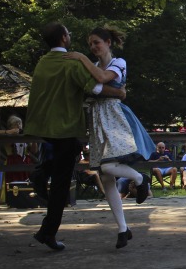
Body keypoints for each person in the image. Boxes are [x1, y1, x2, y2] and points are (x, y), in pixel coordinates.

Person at [25, 22, 121, 251]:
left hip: (45, 125)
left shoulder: (42, 63)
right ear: (63, 39)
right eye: (68, 33)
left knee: (59, 164)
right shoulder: (71, 62)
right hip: (66, 127)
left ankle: (41, 173)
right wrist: (120, 92)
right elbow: (96, 88)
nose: (70, 36)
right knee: (61, 183)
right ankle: (48, 231)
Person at [64, 25, 154, 249]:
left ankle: (141, 178)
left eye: (96, 42)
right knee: (105, 178)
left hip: (114, 117)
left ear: (108, 43)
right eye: (90, 44)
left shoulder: (118, 63)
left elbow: (102, 79)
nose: (93, 47)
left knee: (107, 167)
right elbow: (91, 89)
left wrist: (82, 61)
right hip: (97, 119)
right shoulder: (94, 66)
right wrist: (107, 90)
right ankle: (123, 229)